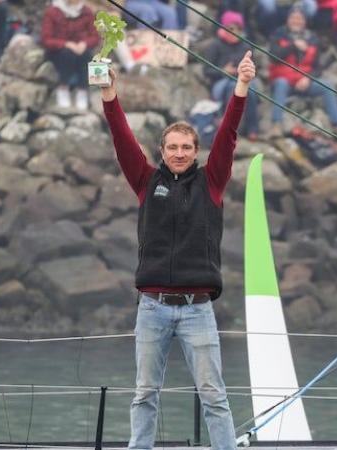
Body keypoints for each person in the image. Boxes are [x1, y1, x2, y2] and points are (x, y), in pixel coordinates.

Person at [101, 50, 256, 450]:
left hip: (197, 309)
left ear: (196, 151)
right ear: (162, 150)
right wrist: (109, 95)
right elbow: (121, 139)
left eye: (187, 146)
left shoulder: (213, 181)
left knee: (214, 397)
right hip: (151, 307)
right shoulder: (145, 180)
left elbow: (228, 135)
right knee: (144, 394)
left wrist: (240, 87)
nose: (179, 153)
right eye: (172, 146)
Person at [268, 5, 337, 138]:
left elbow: (317, 67)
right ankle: (276, 124)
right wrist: (293, 46)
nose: (296, 21)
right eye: (293, 18)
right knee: (281, 83)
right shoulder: (278, 34)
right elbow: (274, 57)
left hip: (303, 82)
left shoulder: (312, 39)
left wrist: (308, 78)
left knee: (328, 86)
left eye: (300, 19)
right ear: (288, 20)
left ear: (305, 21)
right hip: (284, 81)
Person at [204, 10, 259, 140]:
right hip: (221, 82)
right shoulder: (215, 45)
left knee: (249, 91)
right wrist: (223, 71)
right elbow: (206, 70)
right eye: (231, 28)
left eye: (238, 28)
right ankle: (229, 127)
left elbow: (253, 68)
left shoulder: (245, 46)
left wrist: (243, 72)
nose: (234, 31)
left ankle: (253, 129)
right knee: (233, 88)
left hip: (241, 80)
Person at [41, 0, 98, 110]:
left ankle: (82, 91)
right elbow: (46, 39)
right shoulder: (52, 12)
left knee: (86, 55)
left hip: (80, 48)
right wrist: (66, 44)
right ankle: (63, 88)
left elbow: (95, 37)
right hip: (57, 50)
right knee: (67, 54)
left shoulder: (86, 12)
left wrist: (84, 43)